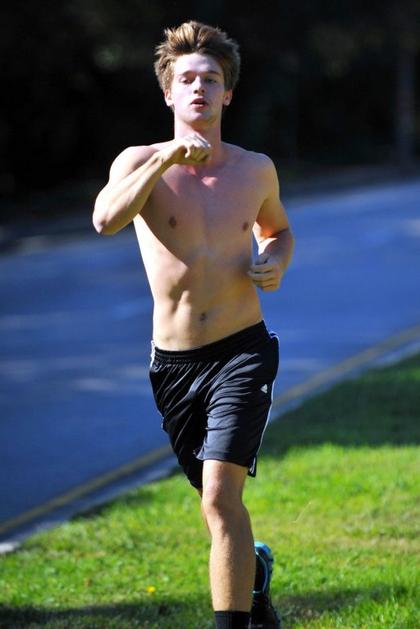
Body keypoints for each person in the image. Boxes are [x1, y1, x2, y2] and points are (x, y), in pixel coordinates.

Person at [93, 20, 294, 629]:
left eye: (210, 79)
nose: (199, 88)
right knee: (214, 508)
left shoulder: (255, 169)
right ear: (168, 93)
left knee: (221, 498)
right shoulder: (139, 162)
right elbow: (105, 219)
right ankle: (255, 576)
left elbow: (278, 230)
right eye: (186, 79)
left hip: (243, 351)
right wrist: (166, 160)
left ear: (228, 93)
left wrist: (275, 259)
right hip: (175, 365)